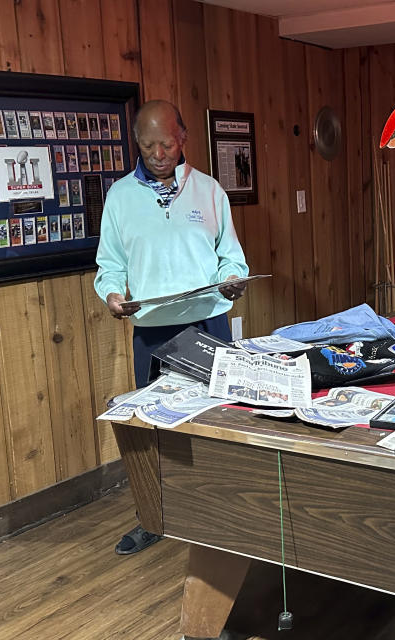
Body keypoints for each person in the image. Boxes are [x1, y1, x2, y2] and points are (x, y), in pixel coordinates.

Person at [94, 100, 249, 555]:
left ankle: (226, 515)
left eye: (166, 143)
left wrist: (233, 279)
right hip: (153, 330)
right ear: (137, 145)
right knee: (154, 429)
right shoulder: (120, 197)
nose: (158, 154)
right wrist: (113, 295)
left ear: (183, 138)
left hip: (208, 321)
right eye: (147, 147)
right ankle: (155, 517)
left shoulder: (208, 190)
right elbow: (110, 265)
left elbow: (230, 255)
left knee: (219, 419)